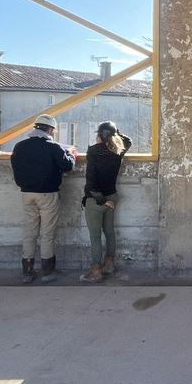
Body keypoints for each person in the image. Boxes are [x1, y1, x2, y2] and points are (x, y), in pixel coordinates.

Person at [10, 114, 77, 284]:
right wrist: (70, 154)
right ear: (50, 130)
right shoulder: (53, 148)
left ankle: (27, 272)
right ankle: (48, 271)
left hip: (26, 194)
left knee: (30, 232)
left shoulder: (19, 146)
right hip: (48, 194)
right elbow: (67, 166)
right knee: (47, 233)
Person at [80, 121, 132, 284]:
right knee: (109, 231)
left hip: (96, 200)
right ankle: (109, 264)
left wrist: (102, 201)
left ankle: (96, 271)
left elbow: (91, 183)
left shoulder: (93, 151)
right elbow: (128, 140)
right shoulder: (117, 150)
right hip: (112, 196)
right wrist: (115, 132)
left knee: (95, 236)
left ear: (99, 135)